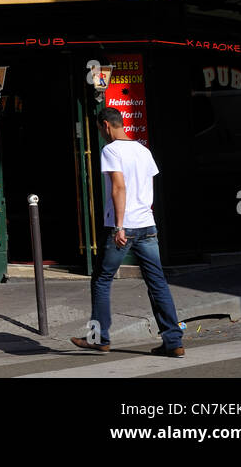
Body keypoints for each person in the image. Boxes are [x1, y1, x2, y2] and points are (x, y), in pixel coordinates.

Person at [72, 107, 184, 358]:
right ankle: (173, 341)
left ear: (105, 126)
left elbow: (119, 187)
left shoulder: (110, 150)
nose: (101, 134)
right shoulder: (143, 150)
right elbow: (147, 186)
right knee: (157, 283)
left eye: (100, 129)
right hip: (147, 224)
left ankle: (99, 338)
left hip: (124, 226)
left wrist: (120, 225)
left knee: (101, 279)